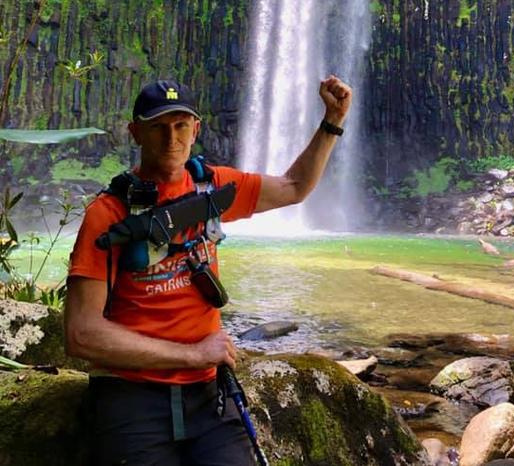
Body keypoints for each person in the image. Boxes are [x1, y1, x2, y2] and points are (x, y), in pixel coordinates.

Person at [64, 75, 352, 466]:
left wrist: (332, 122)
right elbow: (81, 335)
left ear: (196, 130)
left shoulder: (212, 189)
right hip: (131, 394)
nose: (171, 139)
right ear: (135, 133)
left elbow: (294, 186)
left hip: (206, 397)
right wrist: (194, 354)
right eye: (158, 128)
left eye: (181, 126)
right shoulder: (108, 215)